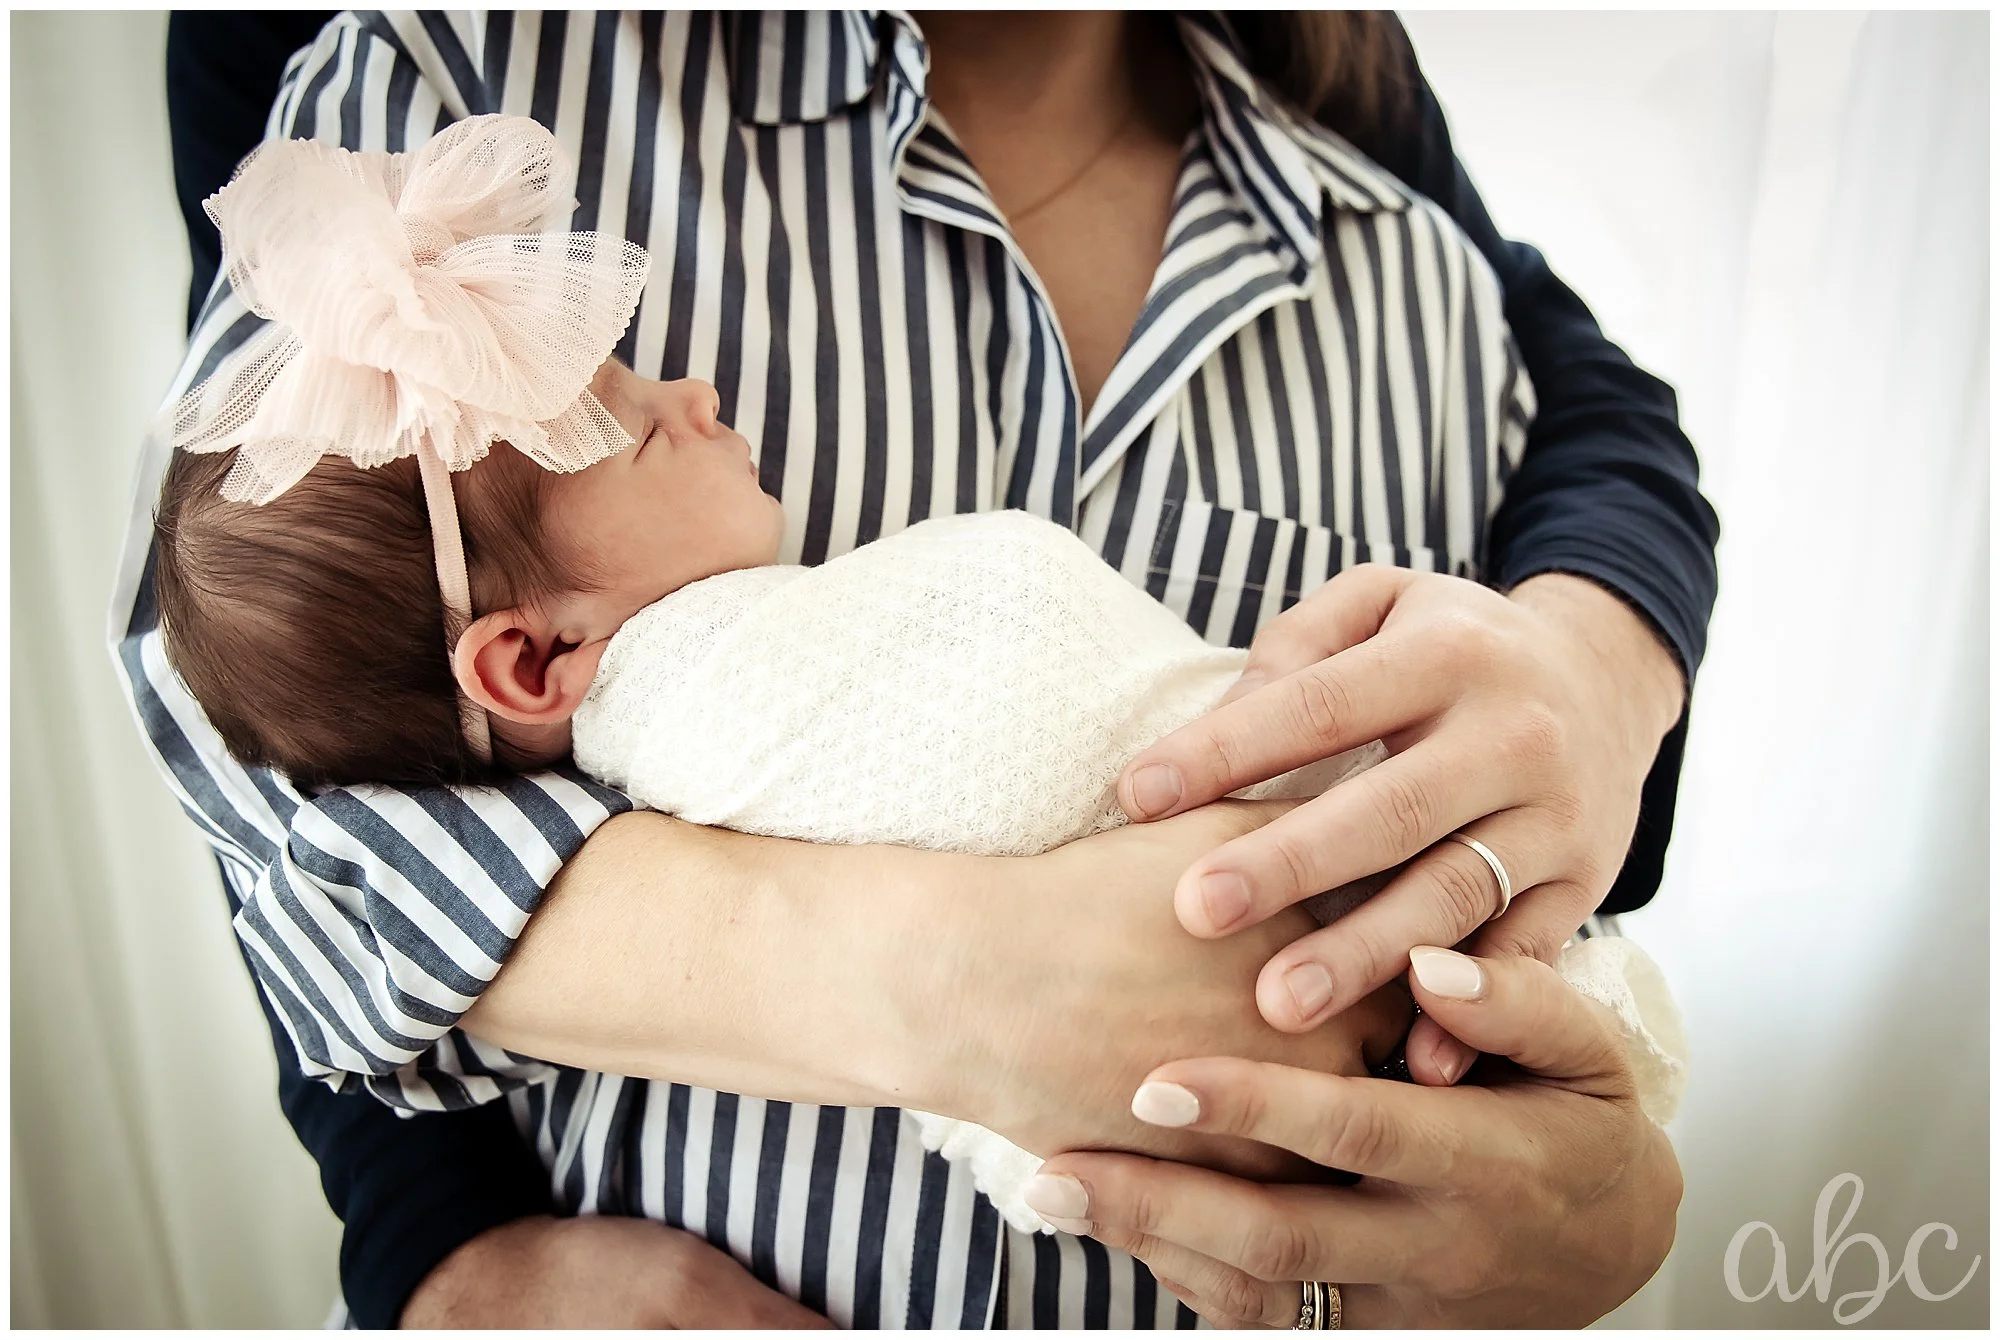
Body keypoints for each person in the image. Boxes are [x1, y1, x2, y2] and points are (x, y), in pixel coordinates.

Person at [123, 10, 1716, 1328]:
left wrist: (1570, 1194)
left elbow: (1495, 869)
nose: (675, 395)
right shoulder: (453, 114)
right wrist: (448, 1260)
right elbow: (251, 735)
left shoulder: (1422, 295)